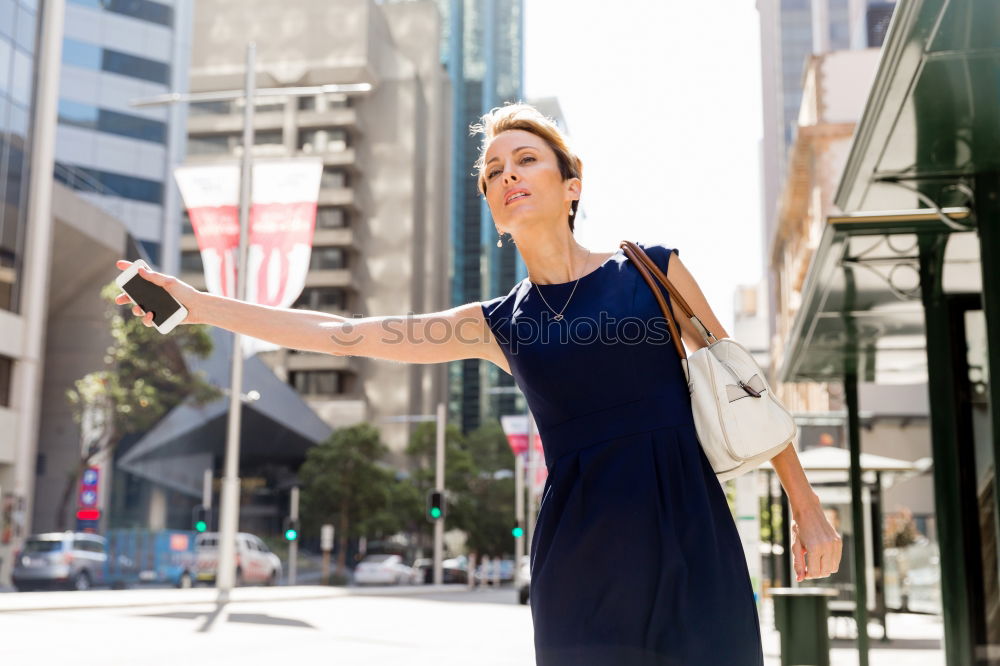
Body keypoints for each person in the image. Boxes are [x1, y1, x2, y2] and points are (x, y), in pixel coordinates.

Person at [115, 102, 841, 665]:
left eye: (525, 160)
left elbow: (744, 387)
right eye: (493, 173)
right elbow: (344, 333)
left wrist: (804, 503)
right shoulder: (496, 323)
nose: (507, 176)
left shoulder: (650, 272)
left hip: (689, 528)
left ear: (571, 185)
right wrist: (196, 304)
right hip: (581, 553)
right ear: (492, 209)